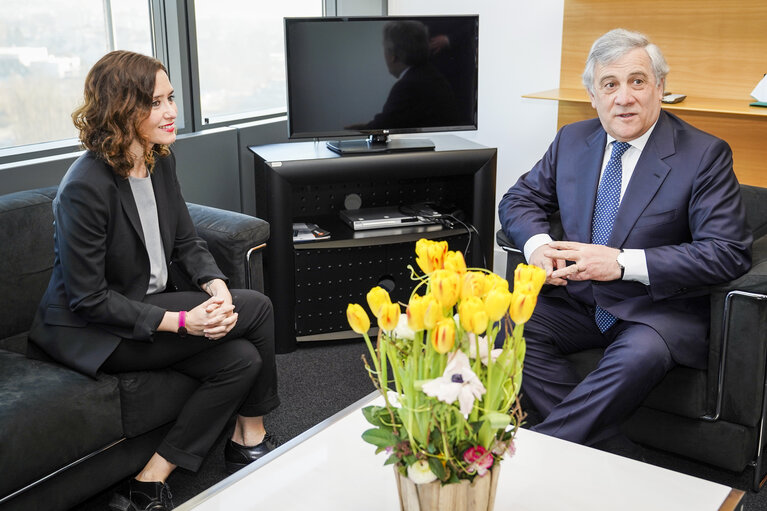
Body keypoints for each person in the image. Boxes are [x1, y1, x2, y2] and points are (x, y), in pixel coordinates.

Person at [28, 51, 280, 511]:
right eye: (155, 102)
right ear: (122, 109)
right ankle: (250, 436)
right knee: (258, 308)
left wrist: (215, 285)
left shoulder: (159, 159)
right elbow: (88, 299)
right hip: (92, 330)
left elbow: (187, 240)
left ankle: (149, 479)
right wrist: (183, 322)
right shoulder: (84, 187)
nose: (171, 112)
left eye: (170, 98)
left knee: (241, 357)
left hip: (146, 303)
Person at [497, 29, 752, 453]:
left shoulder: (704, 155)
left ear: (660, 88)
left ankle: (544, 450)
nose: (624, 97)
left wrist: (621, 263)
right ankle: (605, 453)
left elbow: (727, 252)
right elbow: (520, 198)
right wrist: (538, 245)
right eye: (609, 85)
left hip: (654, 311)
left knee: (639, 356)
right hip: (576, 301)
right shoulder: (572, 140)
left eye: (637, 81)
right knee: (505, 319)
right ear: (594, 96)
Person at [354, 20, 460, 130]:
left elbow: (382, 128)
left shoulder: (408, 86)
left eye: (385, 49)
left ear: (393, 55)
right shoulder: (431, 75)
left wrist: (344, 134)